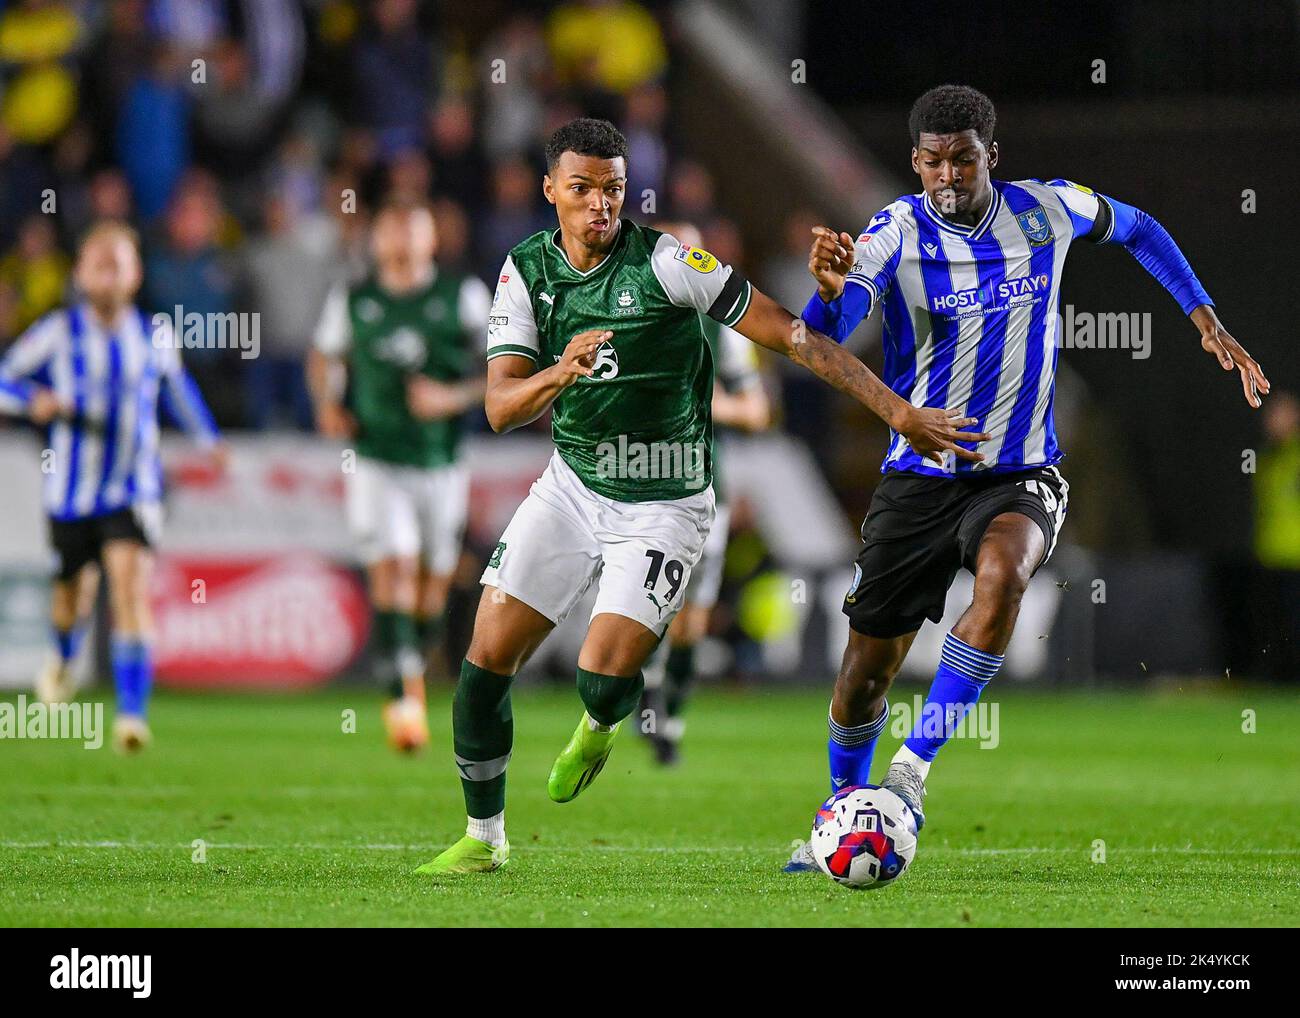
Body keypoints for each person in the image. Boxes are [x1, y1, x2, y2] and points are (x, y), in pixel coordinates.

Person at [420, 118, 987, 875]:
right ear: (550, 188)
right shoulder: (524, 271)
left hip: (666, 504)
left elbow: (790, 335)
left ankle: (600, 722)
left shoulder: (668, 262)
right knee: (482, 667)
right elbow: (498, 408)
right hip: (571, 487)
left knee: (602, 677)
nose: (599, 204)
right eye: (582, 188)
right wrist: (560, 371)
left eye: (613, 189)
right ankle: (483, 840)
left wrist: (897, 412)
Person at [785, 84, 1270, 870]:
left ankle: (910, 774)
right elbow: (826, 334)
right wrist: (831, 291)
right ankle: (840, 805)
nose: (949, 175)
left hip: (1020, 472)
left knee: (1005, 573)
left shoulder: (1049, 209)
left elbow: (1140, 228)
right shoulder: (892, 234)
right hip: (919, 475)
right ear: (915, 163)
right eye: (934, 162)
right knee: (863, 677)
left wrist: (1203, 316)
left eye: (964, 160)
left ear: (991, 157)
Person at [0, 221, 226, 752]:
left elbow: (179, 390)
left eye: (117, 261)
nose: (107, 271)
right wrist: (34, 400)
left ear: (134, 274)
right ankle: (62, 654)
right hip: (71, 494)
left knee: (129, 587)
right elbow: (4, 376)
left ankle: (131, 715)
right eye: (97, 261)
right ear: (80, 272)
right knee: (71, 598)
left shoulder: (154, 336)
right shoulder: (58, 331)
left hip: (134, 489)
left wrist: (208, 439)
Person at [309, 197, 490, 752]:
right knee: (395, 567)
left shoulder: (462, 295)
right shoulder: (355, 298)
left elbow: (511, 366)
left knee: (433, 588)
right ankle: (403, 700)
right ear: (376, 239)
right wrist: (327, 403)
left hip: (440, 462)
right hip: (375, 456)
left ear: (432, 239)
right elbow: (323, 356)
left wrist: (452, 396)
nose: (401, 241)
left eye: (413, 230)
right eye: (390, 229)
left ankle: (412, 667)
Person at [639, 220, 771, 765]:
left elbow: (757, 410)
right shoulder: (627, 317)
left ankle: (669, 718)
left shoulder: (726, 327)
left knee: (692, 612)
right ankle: (643, 697)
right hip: (637, 487)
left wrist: (706, 402)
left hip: (702, 488)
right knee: (644, 604)